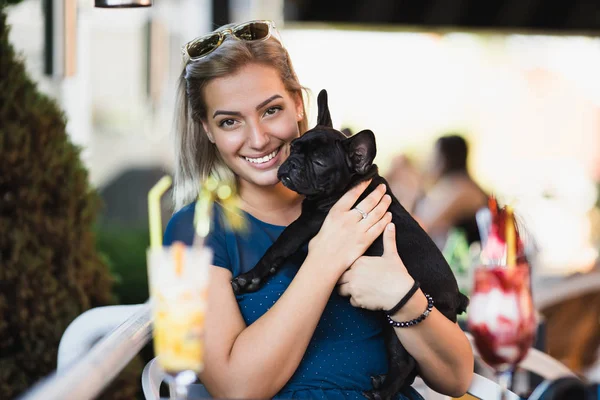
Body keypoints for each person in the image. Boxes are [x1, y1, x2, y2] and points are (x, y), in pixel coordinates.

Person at [163, 20, 473, 400]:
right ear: (206, 129)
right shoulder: (184, 234)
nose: (258, 139)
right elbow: (234, 390)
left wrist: (402, 295)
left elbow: (456, 379)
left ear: (297, 104)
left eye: (271, 110)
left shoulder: (365, 207)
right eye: (230, 121)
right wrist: (326, 258)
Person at [413, 134, 488, 250]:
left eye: (434, 157)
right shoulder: (451, 186)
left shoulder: (462, 189)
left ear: (445, 159)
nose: (429, 163)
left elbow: (424, 226)